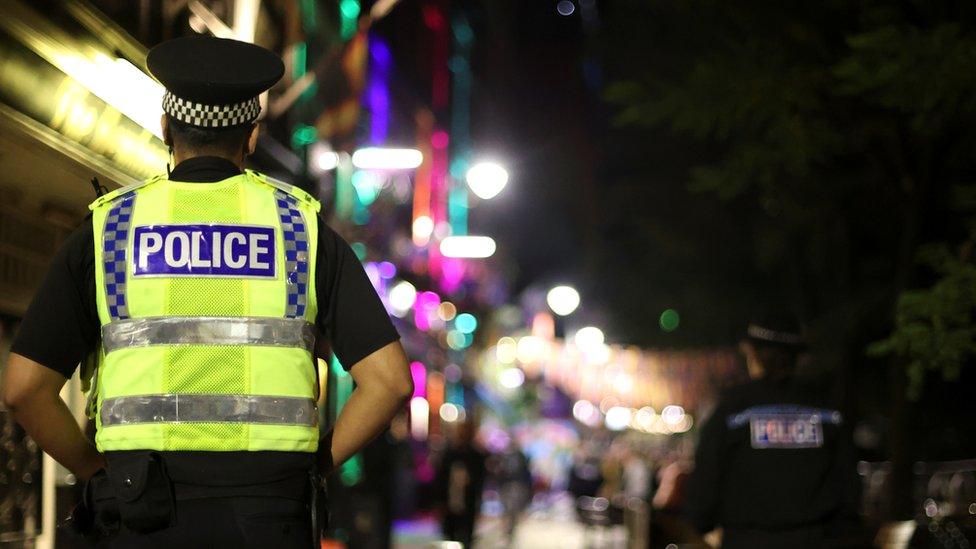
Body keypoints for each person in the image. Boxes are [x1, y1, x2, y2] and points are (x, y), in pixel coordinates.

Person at [0, 35, 413, 547]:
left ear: (165, 127)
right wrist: (312, 470)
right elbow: (390, 382)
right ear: (252, 136)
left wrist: (100, 475)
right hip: (271, 510)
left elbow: (23, 389)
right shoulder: (300, 230)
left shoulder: (110, 229)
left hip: (138, 512)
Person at [684, 313, 860, 549]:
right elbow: (848, 477)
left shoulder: (733, 409)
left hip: (747, 540)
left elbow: (708, 474)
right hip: (816, 539)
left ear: (753, 354)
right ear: (797, 357)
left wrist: (700, 522)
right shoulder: (827, 410)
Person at [435, 421, 487, 547]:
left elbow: (480, 480)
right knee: (450, 536)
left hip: (468, 503)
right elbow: (441, 479)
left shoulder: (476, 456)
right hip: (450, 503)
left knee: (466, 537)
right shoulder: (449, 454)